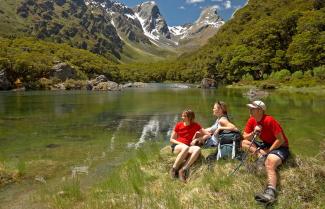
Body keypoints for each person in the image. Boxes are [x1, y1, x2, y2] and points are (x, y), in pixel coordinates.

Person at [242, 100, 290, 204]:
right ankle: (260, 156)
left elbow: (280, 140)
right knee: (244, 143)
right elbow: (245, 136)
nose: (250, 110)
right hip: (266, 144)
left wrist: (268, 152)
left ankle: (270, 193)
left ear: (260, 110)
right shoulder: (252, 120)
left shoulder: (269, 120)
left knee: (270, 162)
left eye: (252, 108)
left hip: (281, 147)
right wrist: (253, 132)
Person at [169, 109, 206, 182]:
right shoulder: (178, 125)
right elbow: (171, 139)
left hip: (188, 147)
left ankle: (183, 170)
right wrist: (181, 144)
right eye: (182, 115)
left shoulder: (196, 125)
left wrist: (197, 139)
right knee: (185, 147)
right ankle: (174, 169)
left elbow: (207, 134)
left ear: (190, 117)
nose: (182, 117)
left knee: (197, 149)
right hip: (177, 146)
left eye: (184, 116)